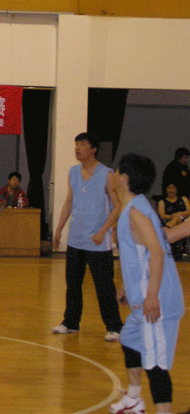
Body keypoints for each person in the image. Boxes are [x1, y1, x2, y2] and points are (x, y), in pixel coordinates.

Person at [108, 153, 184, 414]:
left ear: (125, 179)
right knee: (130, 340)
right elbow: (146, 250)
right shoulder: (136, 206)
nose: (113, 175)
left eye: (117, 171)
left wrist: (151, 295)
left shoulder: (136, 213)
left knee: (155, 365)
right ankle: (133, 399)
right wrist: (127, 285)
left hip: (157, 304)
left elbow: (157, 252)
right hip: (143, 301)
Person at [52, 132, 124, 341]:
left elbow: (117, 206)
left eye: (82, 144)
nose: (78, 148)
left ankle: (115, 327)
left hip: (98, 241)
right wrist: (59, 229)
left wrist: (103, 231)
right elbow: (69, 202)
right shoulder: (73, 172)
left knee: (104, 286)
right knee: (73, 284)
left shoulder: (107, 174)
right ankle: (70, 322)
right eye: (76, 144)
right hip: (76, 239)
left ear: (93, 149)